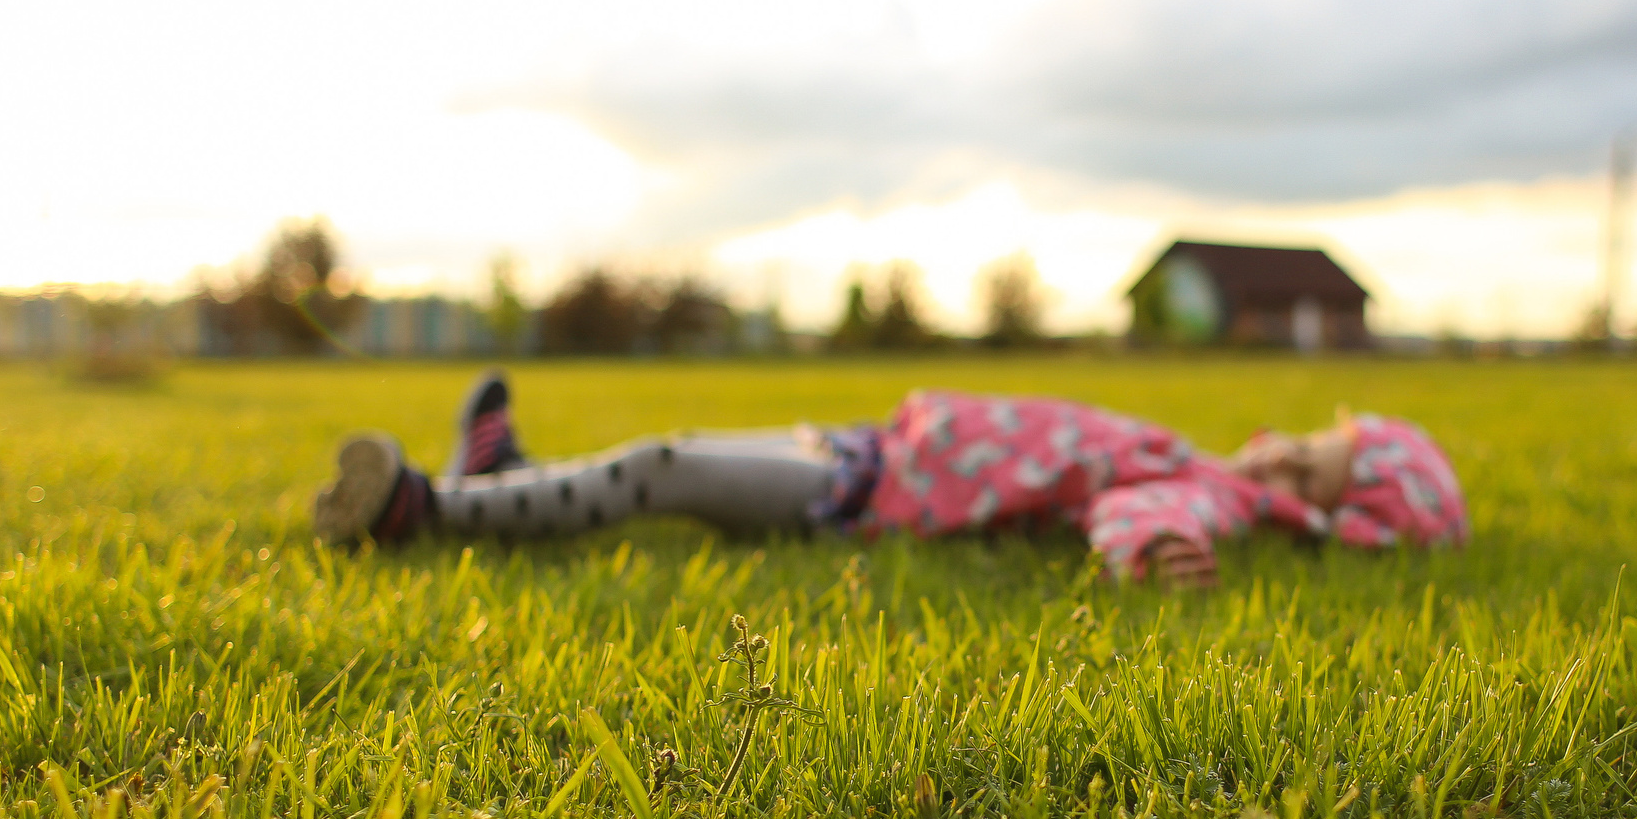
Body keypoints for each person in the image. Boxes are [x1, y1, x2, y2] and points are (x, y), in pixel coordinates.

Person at [311, 371, 1469, 585]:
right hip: (866, 444)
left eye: (1305, 466)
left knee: (661, 469)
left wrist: (1147, 551)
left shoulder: (1207, 492)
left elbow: (1135, 511)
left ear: (1328, 514)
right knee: (671, 449)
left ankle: (429, 513)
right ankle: (510, 476)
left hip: (859, 498)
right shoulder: (1215, 459)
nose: (1274, 449)